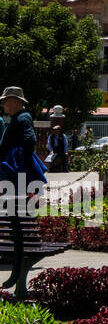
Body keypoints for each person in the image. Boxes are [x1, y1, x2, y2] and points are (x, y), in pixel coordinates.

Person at [0, 87, 46, 297]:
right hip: (15, 179)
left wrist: (18, 162)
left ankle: (16, 273)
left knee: (16, 228)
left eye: (5, 101)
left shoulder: (23, 118)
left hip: (17, 179)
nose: (2, 105)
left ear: (15, 101)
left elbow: (29, 141)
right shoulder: (18, 118)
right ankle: (15, 273)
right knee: (14, 228)